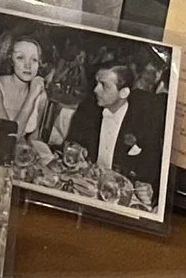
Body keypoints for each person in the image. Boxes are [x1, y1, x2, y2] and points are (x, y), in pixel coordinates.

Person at [51, 58, 164, 195]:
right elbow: (72, 143)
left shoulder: (143, 122)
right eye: (97, 83)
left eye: (104, 85)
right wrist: (75, 149)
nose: (95, 90)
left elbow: (150, 168)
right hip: (85, 185)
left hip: (118, 193)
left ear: (124, 93)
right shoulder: (88, 108)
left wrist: (146, 187)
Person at [0, 34, 59, 146]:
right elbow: (7, 138)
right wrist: (31, 96)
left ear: (39, 65)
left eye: (34, 60)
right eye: (20, 57)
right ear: (11, 60)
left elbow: (33, 137)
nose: (28, 65)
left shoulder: (41, 96)